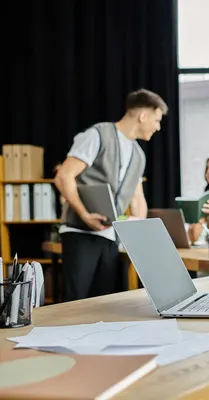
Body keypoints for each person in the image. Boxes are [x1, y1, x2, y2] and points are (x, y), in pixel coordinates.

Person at [55, 88, 168, 301]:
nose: (158, 127)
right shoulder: (97, 135)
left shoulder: (138, 155)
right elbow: (64, 177)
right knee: (75, 303)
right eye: (157, 119)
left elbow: (137, 198)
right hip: (80, 233)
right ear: (143, 116)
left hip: (110, 238)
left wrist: (139, 237)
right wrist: (85, 214)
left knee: (104, 305)